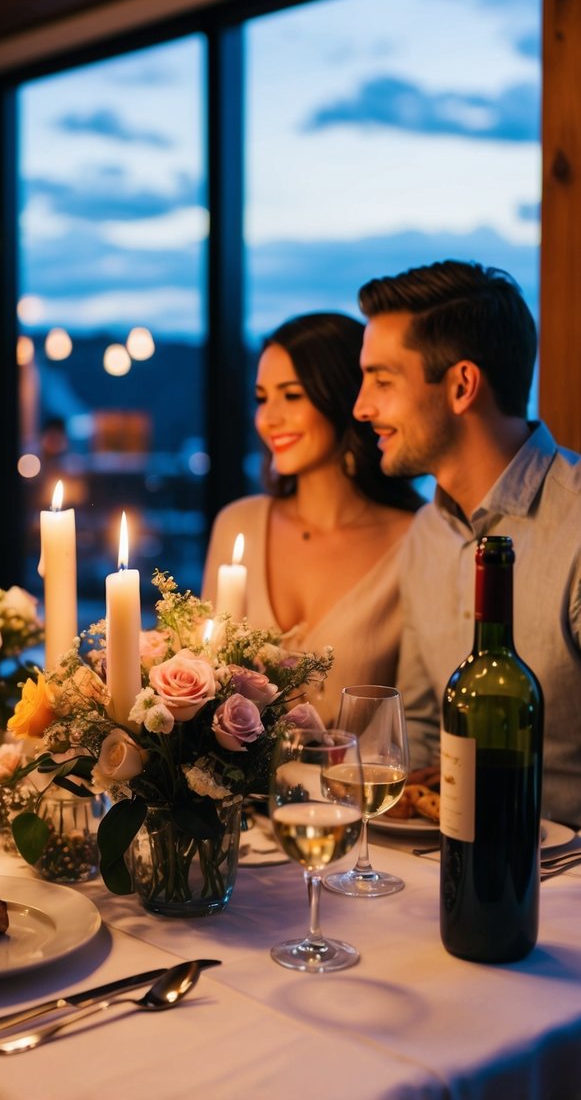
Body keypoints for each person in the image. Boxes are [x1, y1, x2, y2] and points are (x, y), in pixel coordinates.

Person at [354, 258, 581, 827]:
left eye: (382, 381)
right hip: (448, 867)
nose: (362, 407)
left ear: (461, 386)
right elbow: (424, 736)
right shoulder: (426, 536)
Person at [202, 312, 422, 724]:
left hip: (362, 788)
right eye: (262, 397)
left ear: (343, 397)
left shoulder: (416, 539)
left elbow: (418, 721)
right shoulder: (237, 525)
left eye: (292, 395)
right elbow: (203, 687)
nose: (268, 418)